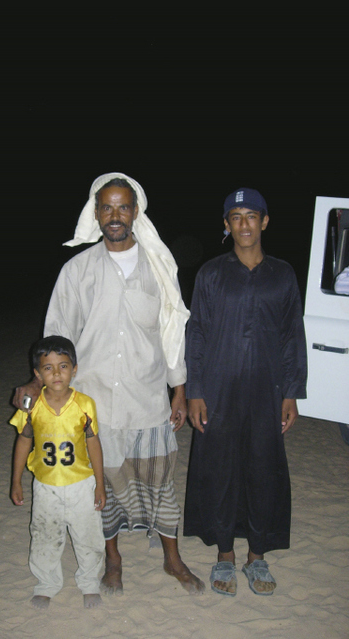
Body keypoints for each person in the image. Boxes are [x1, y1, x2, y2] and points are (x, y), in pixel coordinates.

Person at [14, 172, 205, 596]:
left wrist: (179, 388)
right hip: (95, 402)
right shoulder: (77, 270)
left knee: (161, 481)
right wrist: (34, 383)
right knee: (101, 485)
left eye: (123, 207)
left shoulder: (159, 267)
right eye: (107, 207)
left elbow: (173, 331)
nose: (115, 215)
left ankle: (172, 559)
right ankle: (112, 561)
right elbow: (56, 335)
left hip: (146, 397)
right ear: (95, 213)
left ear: (136, 212)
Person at [184, 188, 307, 597]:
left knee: (263, 469)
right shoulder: (211, 274)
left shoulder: (283, 274)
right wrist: (195, 390)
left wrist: (291, 392)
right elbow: (196, 332)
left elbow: (292, 335)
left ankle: (257, 556)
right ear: (226, 224)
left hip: (267, 390)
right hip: (218, 388)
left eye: (251, 216)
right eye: (235, 217)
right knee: (219, 469)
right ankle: (224, 555)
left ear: (265, 221)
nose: (244, 224)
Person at [10, 335, 106, 609]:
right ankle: (47, 583)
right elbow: (24, 440)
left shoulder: (85, 404)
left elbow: (94, 443)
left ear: (74, 369)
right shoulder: (32, 406)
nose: (56, 373)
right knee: (44, 535)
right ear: (38, 374)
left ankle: (89, 582)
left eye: (63, 366)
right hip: (46, 484)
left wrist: (100, 484)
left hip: (81, 483)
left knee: (88, 536)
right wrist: (16, 480)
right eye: (48, 368)